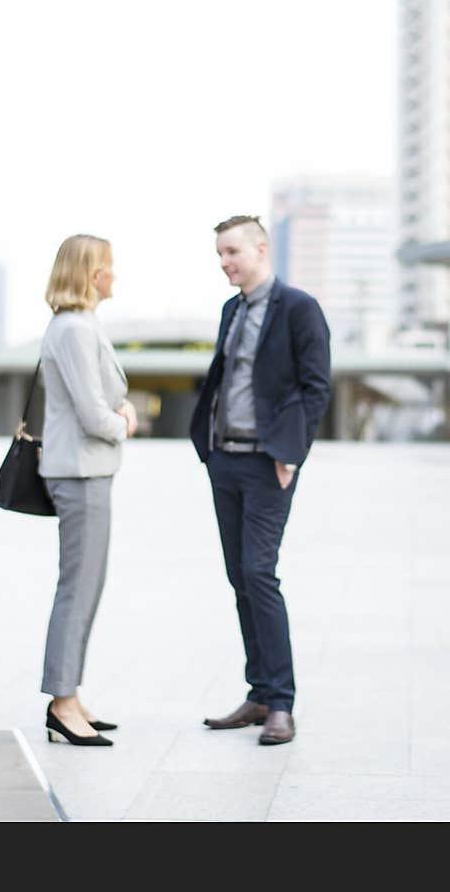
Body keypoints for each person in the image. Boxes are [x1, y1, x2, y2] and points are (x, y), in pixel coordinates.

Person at [189, 215, 331, 746]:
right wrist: (205, 445)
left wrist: (291, 452)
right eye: (219, 254)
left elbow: (316, 388)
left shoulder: (299, 308)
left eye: (232, 252)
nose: (225, 262)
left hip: (268, 462)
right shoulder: (232, 309)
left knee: (259, 572)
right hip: (224, 460)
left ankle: (282, 704)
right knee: (239, 576)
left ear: (260, 249)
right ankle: (258, 692)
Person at [38, 235, 137, 747]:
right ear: (90, 272)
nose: (114, 273)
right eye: (108, 265)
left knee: (85, 586)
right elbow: (93, 413)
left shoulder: (80, 325)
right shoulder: (75, 329)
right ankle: (61, 702)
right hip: (80, 472)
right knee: (78, 588)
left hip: (86, 471)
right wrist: (125, 421)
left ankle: (70, 696)